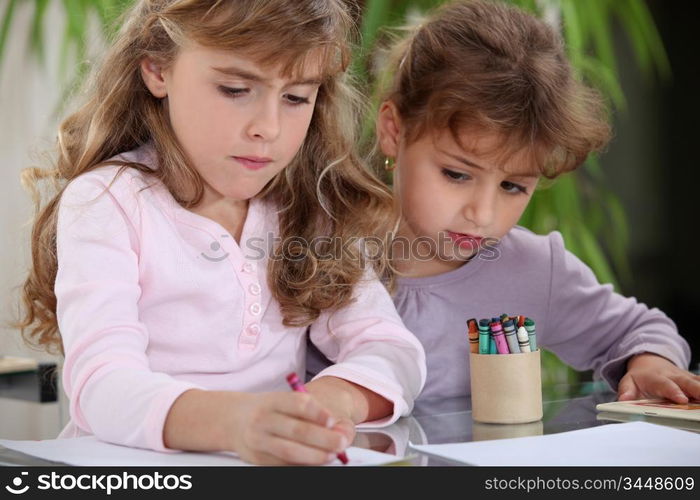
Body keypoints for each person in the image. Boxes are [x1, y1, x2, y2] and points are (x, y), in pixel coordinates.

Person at [13, 0, 426, 465]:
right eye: (234, 89)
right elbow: (102, 386)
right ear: (157, 70)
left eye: (296, 98)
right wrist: (238, 423)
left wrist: (325, 406)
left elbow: (392, 350)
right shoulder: (109, 201)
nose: (267, 128)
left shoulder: (310, 207)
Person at [308, 0, 698, 404]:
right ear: (393, 130)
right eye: (457, 175)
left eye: (512, 186)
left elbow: (639, 330)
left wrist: (650, 362)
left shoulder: (534, 270)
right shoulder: (318, 249)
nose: (483, 214)